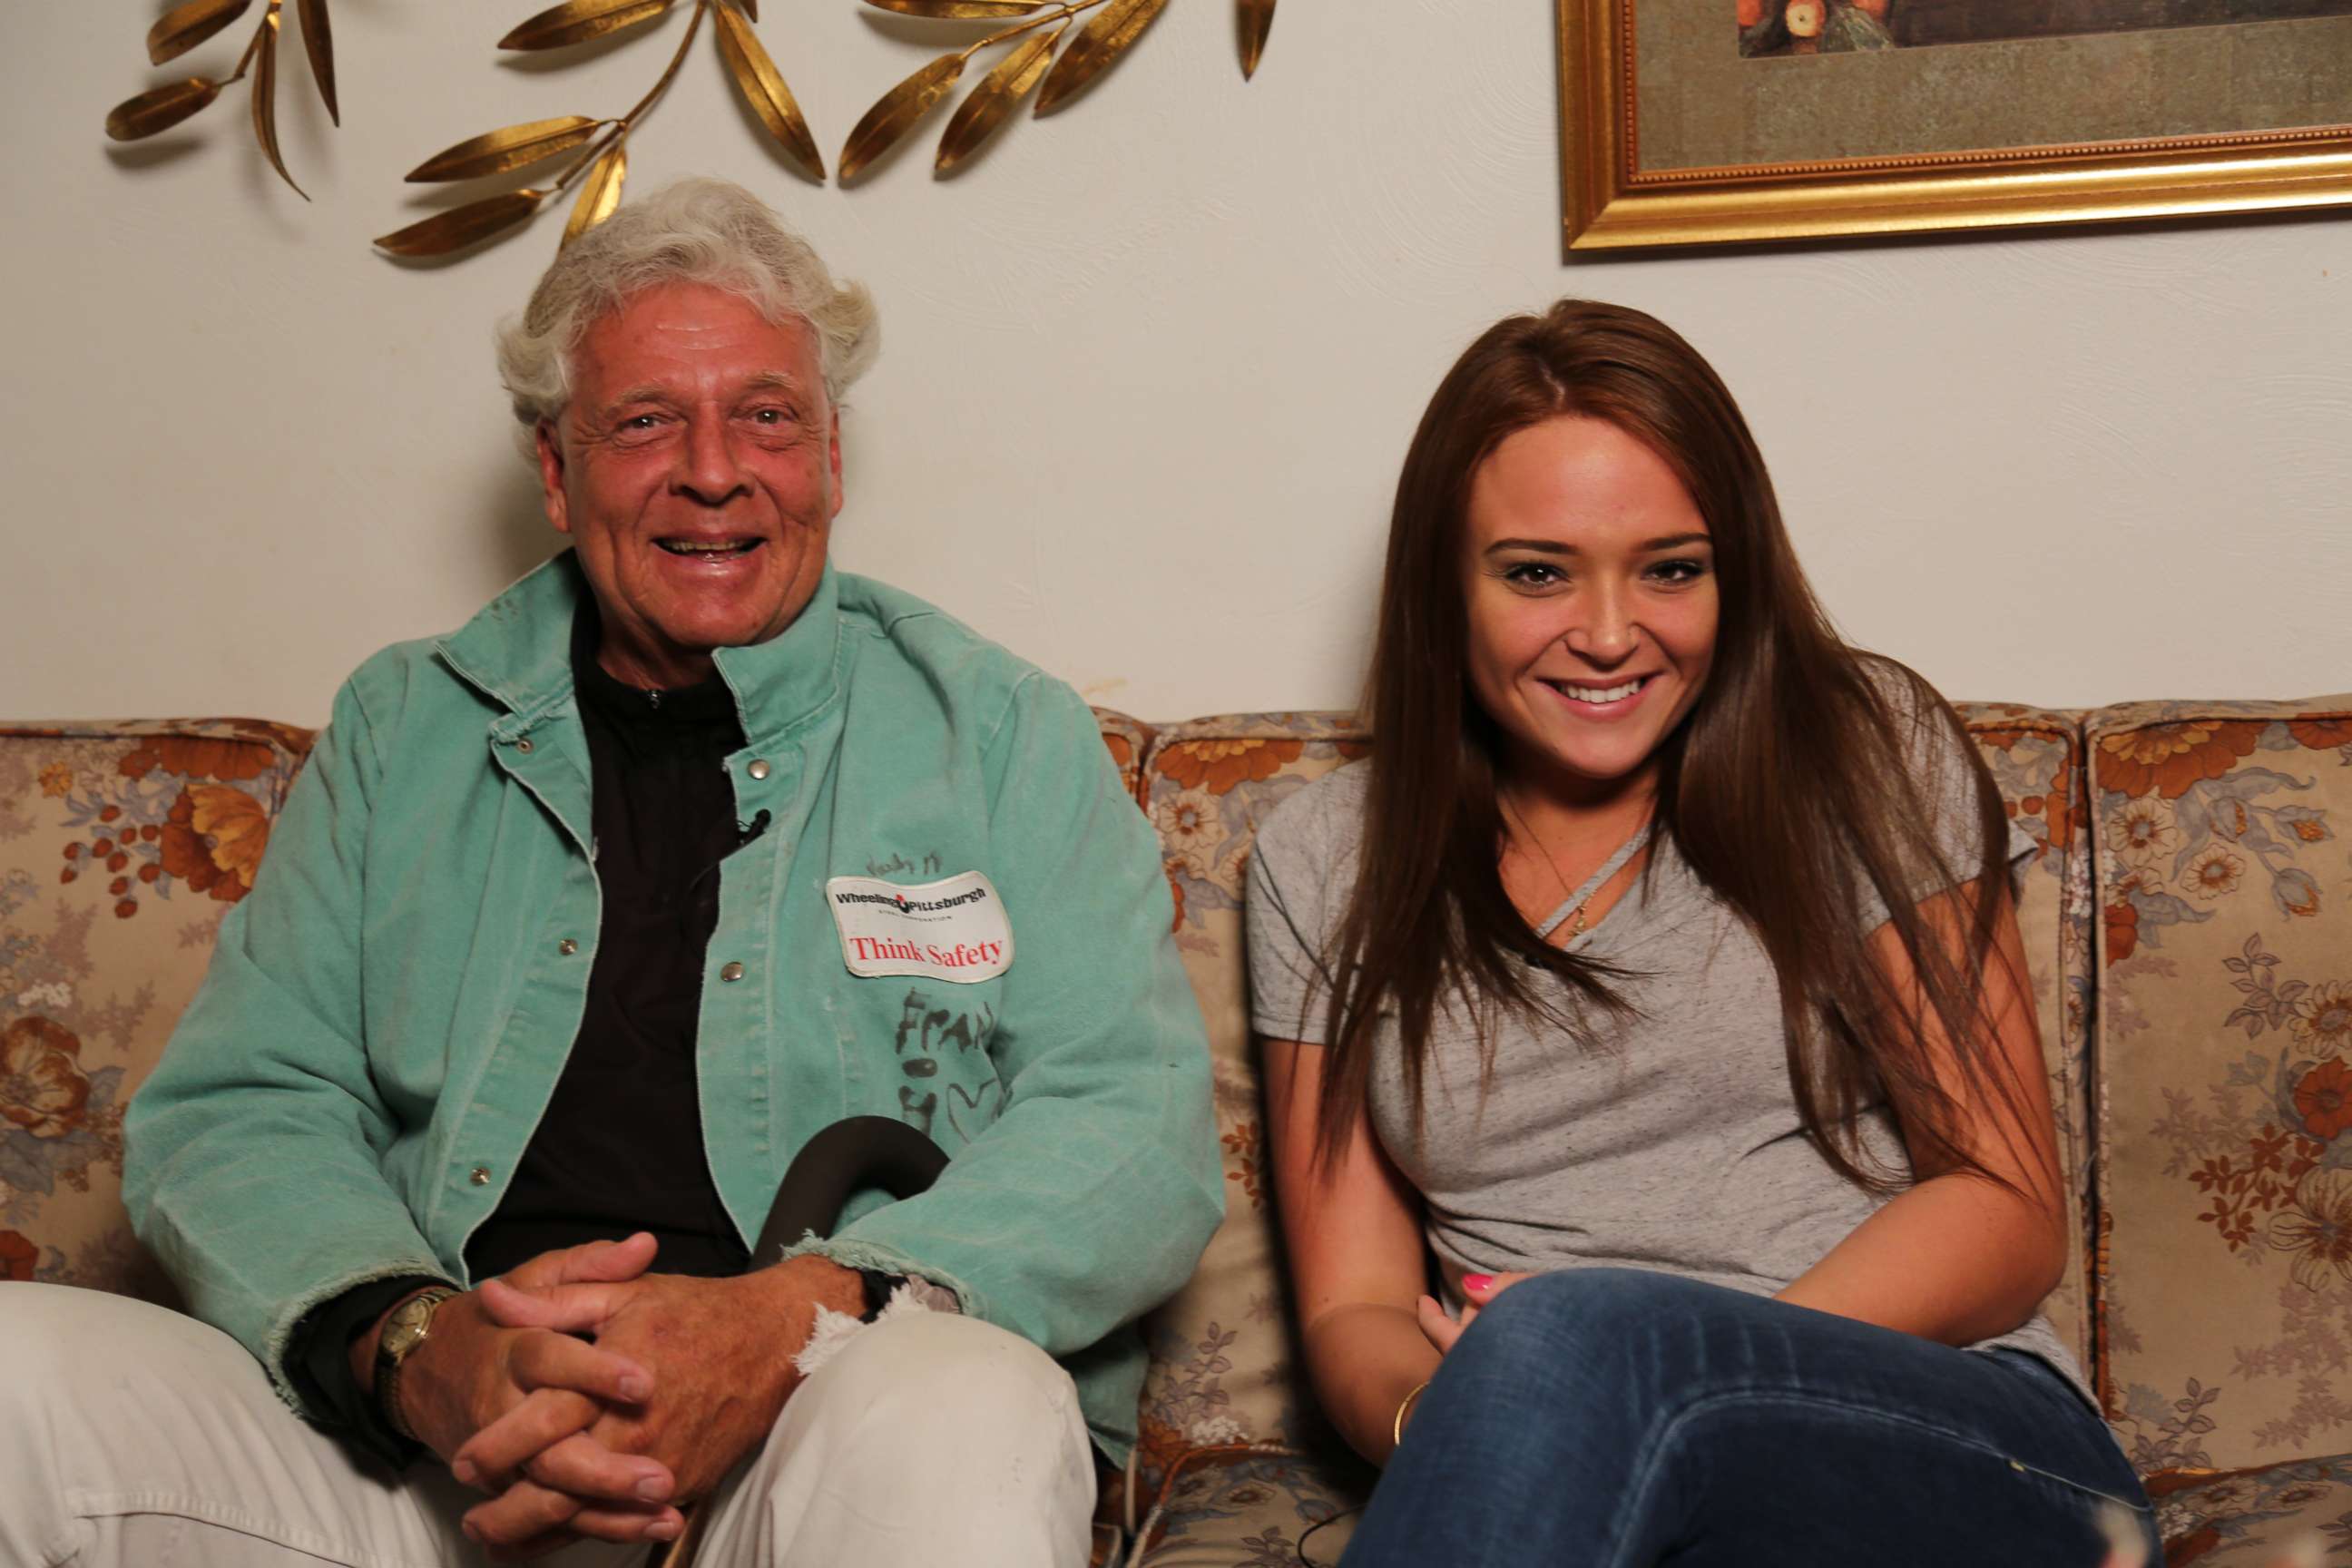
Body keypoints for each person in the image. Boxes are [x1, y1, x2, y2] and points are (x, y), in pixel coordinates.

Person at [0, 178, 1220, 1568]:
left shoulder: (998, 736)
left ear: (832, 452)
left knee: (966, 1405)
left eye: (768, 415)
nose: (715, 470)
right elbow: (238, 1107)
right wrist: (417, 1347)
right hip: (431, 1460)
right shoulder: (407, 726)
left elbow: (1135, 1125)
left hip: (812, 1438)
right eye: (646, 422)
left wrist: (791, 1317)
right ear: (555, 468)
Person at [1244, 300, 2160, 1564]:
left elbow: (2005, 1207)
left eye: (1671, 568)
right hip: (1554, 1458)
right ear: (1441, 587)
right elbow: (1352, 1301)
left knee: (1575, 1337)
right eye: (1536, 572)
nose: (1613, 633)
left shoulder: (1860, 754)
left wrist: (1670, 1380)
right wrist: (1441, 1412)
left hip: (1947, 1433)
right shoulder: (1324, 859)